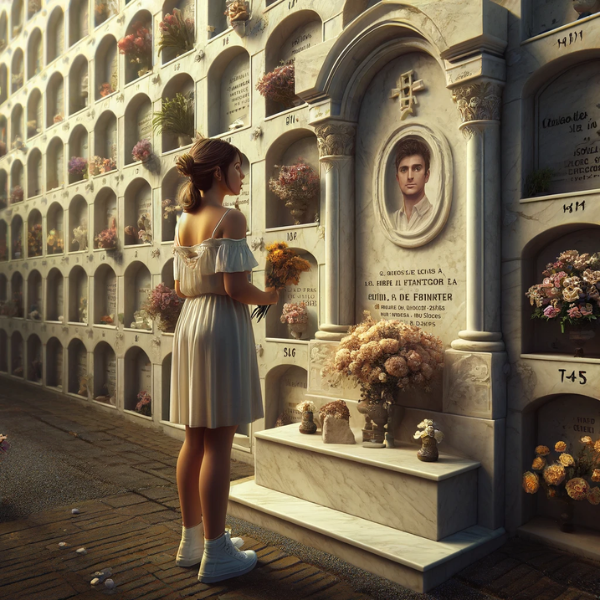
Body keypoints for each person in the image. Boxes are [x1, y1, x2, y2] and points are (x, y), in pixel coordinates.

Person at [170, 136, 279, 584]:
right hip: (221, 325)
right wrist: (269, 295)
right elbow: (237, 289)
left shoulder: (184, 221)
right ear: (218, 173)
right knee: (219, 442)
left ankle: (191, 540)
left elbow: (179, 288)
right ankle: (217, 555)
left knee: (194, 439)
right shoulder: (230, 217)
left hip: (191, 321)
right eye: (238, 167)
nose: (241, 175)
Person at [390, 138, 433, 233]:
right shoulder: (392, 219)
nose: (410, 177)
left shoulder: (434, 215)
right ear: (397, 178)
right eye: (404, 170)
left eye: (417, 169)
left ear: (427, 176)